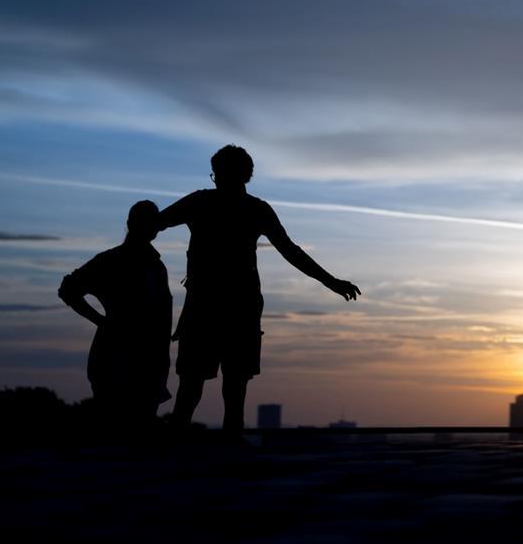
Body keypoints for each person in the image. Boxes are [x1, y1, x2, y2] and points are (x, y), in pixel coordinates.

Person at [157, 145, 360, 432]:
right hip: (229, 305)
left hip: (218, 306)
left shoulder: (208, 203)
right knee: (220, 389)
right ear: (247, 175)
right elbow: (291, 251)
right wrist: (332, 282)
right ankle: (219, 448)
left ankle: (191, 450)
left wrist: (332, 282)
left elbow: (154, 223)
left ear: (218, 174)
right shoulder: (245, 208)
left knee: (204, 388)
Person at [59, 200, 173, 430]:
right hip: (115, 359)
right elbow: (69, 289)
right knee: (114, 428)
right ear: (132, 223)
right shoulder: (111, 261)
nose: (154, 227)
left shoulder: (156, 266)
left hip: (149, 361)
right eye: (149, 221)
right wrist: (101, 321)